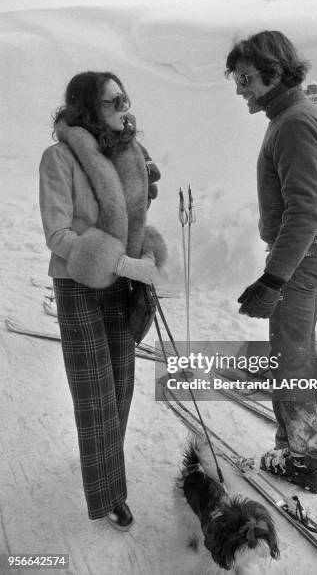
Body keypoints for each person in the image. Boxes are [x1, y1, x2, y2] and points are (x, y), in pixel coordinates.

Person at [39, 71, 166, 528]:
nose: (124, 109)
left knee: (120, 386)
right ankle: (109, 492)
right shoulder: (59, 159)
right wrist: (119, 260)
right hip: (78, 283)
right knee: (95, 393)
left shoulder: (128, 153)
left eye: (125, 99)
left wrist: (146, 253)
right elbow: (58, 234)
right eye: (113, 102)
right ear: (89, 109)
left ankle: (101, 460)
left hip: (120, 283)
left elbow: (134, 223)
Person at [225, 31, 317, 494]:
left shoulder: (292, 122)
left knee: (288, 361)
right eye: (237, 78)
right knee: (301, 353)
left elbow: (305, 211)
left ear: (275, 71)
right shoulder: (292, 114)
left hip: (299, 260)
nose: (240, 88)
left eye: (246, 77)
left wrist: (272, 280)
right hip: (310, 255)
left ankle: (303, 459)